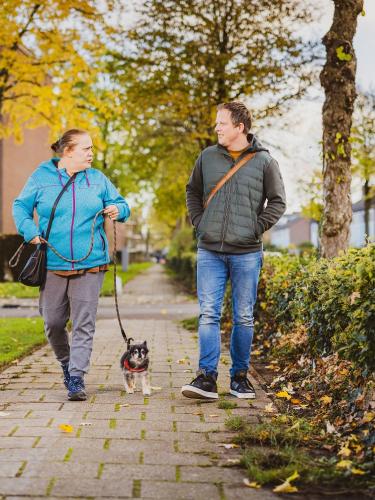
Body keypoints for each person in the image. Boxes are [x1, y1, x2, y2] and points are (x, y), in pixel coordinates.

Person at [13, 129, 130, 401]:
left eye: (91, 148)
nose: (92, 153)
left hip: (91, 263)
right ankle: (66, 363)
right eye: (86, 149)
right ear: (68, 152)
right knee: (53, 321)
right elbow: (20, 206)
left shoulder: (97, 179)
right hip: (53, 262)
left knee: (83, 323)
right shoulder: (41, 177)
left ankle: (76, 378)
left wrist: (118, 210)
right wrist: (29, 230)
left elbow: (122, 204)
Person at [181, 101, 286, 400]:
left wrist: (255, 227)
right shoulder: (207, 157)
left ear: (240, 127)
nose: (216, 127)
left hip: (247, 252)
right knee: (208, 314)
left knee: (243, 316)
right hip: (210, 249)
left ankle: (240, 378)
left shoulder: (265, 162)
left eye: (222, 123)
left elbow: (278, 202)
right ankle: (206, 378)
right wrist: (199, 223)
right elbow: (192, 191)